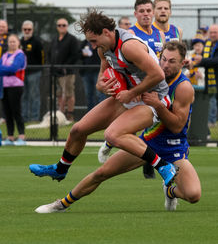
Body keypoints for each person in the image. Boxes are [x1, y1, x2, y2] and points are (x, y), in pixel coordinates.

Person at [34, 41, 201, 214]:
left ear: (183, 63)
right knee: (102, 173)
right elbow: (112, 81)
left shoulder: (183, 87)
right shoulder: (149, 76)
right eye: (164, 59)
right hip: (147, 144)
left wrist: (158, 106)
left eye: (172, 61)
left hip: (173, 148)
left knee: (193, 195)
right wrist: (109, 85)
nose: (165, 65)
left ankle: (169, 191)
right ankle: (61, 204)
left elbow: (177, 126)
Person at [29, 10, 177, 188]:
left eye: (93, 41)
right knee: (78, 130)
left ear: (106, 32)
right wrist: (103, 86)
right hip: (129, 96)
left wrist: (131, 92)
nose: (92, 46)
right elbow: (101, 80)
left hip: (153, 98)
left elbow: (158, 74)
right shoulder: (103, 49)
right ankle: (60, 169)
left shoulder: (128, 46)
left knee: (113, 135)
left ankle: (164, 167)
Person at [98, 0, 165, 178]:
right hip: (136, 89)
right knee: (130, 125)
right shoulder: (130, 34)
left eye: (148, 11)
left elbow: (160, 64)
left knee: (159, 129)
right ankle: (111, 143)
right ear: (135, 14)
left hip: (155, 86)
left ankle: (152, 162)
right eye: (141, 11)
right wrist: (131, 89)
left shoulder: (160, 34)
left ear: (153, 12)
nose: (146, 14)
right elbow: (120, 66)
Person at [47, 18, 79, 121]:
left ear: (67, 26)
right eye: (59, 25)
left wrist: (65, 66)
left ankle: (70, 116)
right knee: (59, 94)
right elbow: (49, 54)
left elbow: (75, 55)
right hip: (55, 72)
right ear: (57, 27)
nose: (61, 27)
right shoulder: (54, 39)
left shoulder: (72, 39)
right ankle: (61, 115)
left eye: (64, 25)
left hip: (67, 72)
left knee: (69, 94)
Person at [0, 34, 27, 146]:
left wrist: (4, 70)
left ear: (18, 43)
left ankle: (21, 135)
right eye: (10, 42)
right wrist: (6, 70)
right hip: (4, 87)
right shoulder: (5, 55)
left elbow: (14, 68)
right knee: (7, 113)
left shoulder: (20, 55)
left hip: (16, 86)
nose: (12, 43)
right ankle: (10, 136)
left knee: (16, 111)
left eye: (14, 41)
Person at [21, 20, 44, 122]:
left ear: (32, 30)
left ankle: (34, 118)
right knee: (23, 96)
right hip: (21, 73)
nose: (27, 31)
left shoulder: (37, 42)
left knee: (34, 95)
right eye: (25, 29)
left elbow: (42, 57)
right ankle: (24, 118)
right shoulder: (19, 42)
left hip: (34, 73)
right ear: (22, 30)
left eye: (29, 29)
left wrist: (39, 69)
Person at [79, 39, 105, 112]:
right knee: (89, 95)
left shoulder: (101, 42)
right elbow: (78, 54)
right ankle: (90, 115)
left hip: (98, 71)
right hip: (86, 71)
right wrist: (83, 54)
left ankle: (102, 114)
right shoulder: (84, 43)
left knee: (100, 94)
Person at [0, 20, 9, 124]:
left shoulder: (9, 40)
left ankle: (4, 117)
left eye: (3, 26)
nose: (1, 28)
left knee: (5, 96)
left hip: (5, 74)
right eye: (0, 26)